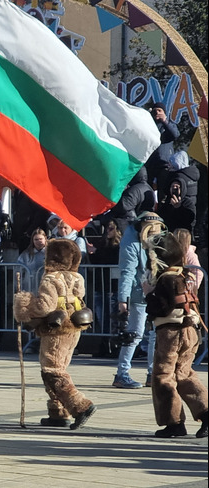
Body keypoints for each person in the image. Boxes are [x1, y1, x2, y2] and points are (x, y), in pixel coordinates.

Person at [14, 239, 96, 429]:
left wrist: (25, 303)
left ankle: (81, 405)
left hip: (56, 328)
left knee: (52, 369)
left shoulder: (50, 279)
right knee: (59, 367)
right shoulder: (77, 277)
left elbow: (45, 307)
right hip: (74, 327)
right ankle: (58, 412)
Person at [141, 231, 208, 439]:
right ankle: (206, 413)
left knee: (163, 376)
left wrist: (148, 294)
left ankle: (174, 422)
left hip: (171, 331)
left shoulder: (166, 279)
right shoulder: (185, 275)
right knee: (185, 374)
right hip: (190, 330)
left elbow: (161, 308)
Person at [114, 212, 165, 389]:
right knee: (134, 334)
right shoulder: (131, 243)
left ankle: (152, 373)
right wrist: (123, 300)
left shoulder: (157, 240)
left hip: (155, 293)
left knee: (155, 335)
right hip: (138, 294)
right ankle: (122, 373)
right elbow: (127, 273)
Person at [143, 102, 179, 191]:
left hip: (164, 164)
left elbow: (175, 135)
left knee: (163, 192)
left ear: (164, 113)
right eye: (155, 111)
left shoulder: (169, 124)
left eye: (159, 110)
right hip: (150, 165)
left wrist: (164, 121)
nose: (157, 113)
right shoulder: (149, 125)